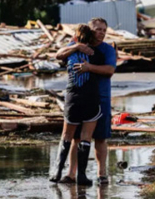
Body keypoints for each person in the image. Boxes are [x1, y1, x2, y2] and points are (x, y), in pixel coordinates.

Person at [55, 17, 116, 185]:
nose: (101, 33)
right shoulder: (77, 43)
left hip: (101, 98)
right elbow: (59, 55)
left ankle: (102, 173)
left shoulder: (107, 50)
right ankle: (71, 174)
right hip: (79, 97)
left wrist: (89, 68)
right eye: (98, 29)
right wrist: (76, 46)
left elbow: (110, 70)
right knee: (76, 138)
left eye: (104, 30)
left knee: (101, 138)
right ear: (90, 30)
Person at [49, 24, 104, 186]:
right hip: (91, 99)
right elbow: (107, 70)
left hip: (73, 98)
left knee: (66, 136)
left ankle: (57, 172)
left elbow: (58, 55)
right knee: (86, 137)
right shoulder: (97, 54)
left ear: (75, 37)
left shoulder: (70, 53)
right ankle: (81, 175)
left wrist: (75, 46)